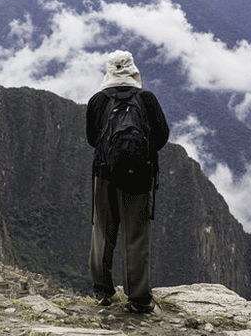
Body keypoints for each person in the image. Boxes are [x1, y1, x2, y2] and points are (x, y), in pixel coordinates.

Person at [86, 50, 169, 313]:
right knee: (136, 235)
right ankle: (138, 298)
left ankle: (102, 290)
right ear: (133, 70)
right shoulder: (147, 99)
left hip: (104, 174)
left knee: (103, 232)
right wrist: (136, 157)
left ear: (108, 71)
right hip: (139, 178)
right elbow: (162, 135)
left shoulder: (98, 101)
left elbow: (91, 138)